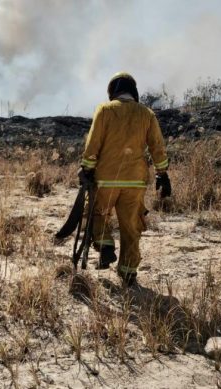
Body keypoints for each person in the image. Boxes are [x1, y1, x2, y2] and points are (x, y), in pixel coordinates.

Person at [80, 72, 171, 286]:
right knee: (131, 226)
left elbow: (93, 144)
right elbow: (157, 146)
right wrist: (162, 174)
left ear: (113, 90)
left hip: (106, 180)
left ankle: (105, 246)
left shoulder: (104, 110)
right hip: (135, 181)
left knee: (97, 213)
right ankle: (128, 272)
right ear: (134, 91)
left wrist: (87, 168)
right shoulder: (147, 114)